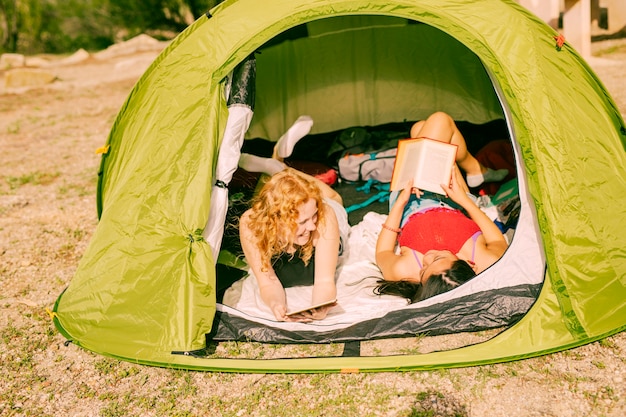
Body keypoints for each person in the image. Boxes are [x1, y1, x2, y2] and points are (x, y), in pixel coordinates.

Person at [374, 111, 509, 303]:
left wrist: (400, 203)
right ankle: (475, 170)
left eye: (423, 271)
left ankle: (476, 170)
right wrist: (464, 201)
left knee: (424, 128)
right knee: (436, 124)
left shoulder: (405, 272)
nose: (428, 257)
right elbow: (497, 240)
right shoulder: (483, 260)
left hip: (412, 197)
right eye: (437, 259)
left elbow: (383, 253)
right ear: (469, 265)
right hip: (454, 197)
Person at [237, 116, 350, 322]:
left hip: (328, 208)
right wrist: (276, 306)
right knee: (272, 195)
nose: (312, 225)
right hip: (278, 211)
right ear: (276, 220)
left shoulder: (323, 217)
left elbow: (324, 281)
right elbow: (267, 282)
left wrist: (320, 308)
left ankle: (276, 166)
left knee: (334, 198)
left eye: (312, 217)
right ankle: (276, 165)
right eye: (303, 222)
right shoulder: (251, 224)